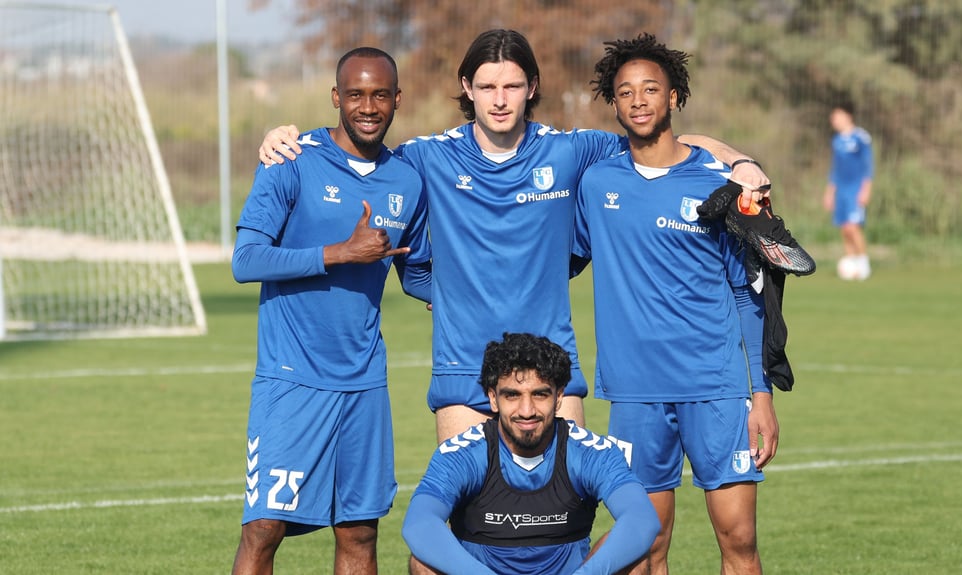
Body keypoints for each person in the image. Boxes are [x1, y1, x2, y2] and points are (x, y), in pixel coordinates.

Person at [258, 29, 771, 444]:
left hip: (553, 368)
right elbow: (357, 161)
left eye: (511, 86)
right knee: (468, 534)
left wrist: (741, 161)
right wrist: (287, 139)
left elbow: (662, 140)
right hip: (464, 370)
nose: (499, 100)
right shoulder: (428, 158)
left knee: (565, 532)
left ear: (531, 86)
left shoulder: (571, 151)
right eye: (486, 87)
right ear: (466, 88)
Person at [572, 34, 779, 575]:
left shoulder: (718, 186)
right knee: (646, 544)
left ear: (673, 98)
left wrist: (760, 394)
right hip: (634, 394)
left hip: (715, 386)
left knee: (738, 540)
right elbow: (560, 258)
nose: (638, 100)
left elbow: (746, 292)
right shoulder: (596, 182)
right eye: (625, 92)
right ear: (613, 104)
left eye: (650, 89)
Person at [229, 47, 431, 575]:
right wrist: (340, 252)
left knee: (361, 532)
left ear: (397, 100)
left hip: (365, 385)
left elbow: (419, 277)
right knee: (264, 530)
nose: (369, 106)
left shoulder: (407, 180)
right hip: (292, 381)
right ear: (336, 97)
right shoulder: (291, 159)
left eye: (380, 95)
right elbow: (246, 260)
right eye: (357, 94)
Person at [401, 332, 660, 575]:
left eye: (540, 394)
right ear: (493, 398)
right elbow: (420, 523)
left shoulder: (591, 453)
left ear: (559, 397)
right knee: (423, 564)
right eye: (512, 395)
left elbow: (640, 520)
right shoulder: (463, 454)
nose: (527, 410)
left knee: (635, 561)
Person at [823, 101, 874, 280]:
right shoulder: (836, 141)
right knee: (844, 228)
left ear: (847, 116)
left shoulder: (861, 137)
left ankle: (863, 263)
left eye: (836, 116)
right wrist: (830, 193)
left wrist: (866, 189)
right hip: (841, 190)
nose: (833, 120)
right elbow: (835, 170)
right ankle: (852, 264)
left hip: (855, 189)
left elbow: (868, 166)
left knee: (853, 227)